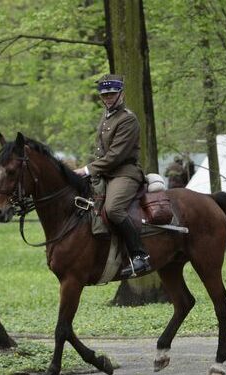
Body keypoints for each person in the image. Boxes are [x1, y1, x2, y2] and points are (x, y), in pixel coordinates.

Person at [74, 74, 150, 277]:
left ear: (121, 94)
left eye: (111, 94)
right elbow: (101, 152)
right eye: (104, 95)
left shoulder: (128, 119)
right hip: (106, 174)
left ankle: (139, 257)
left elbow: (116, 155)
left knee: (114, 209)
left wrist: (87, 169)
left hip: (125, 173)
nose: (108, 98)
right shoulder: (107, 117)